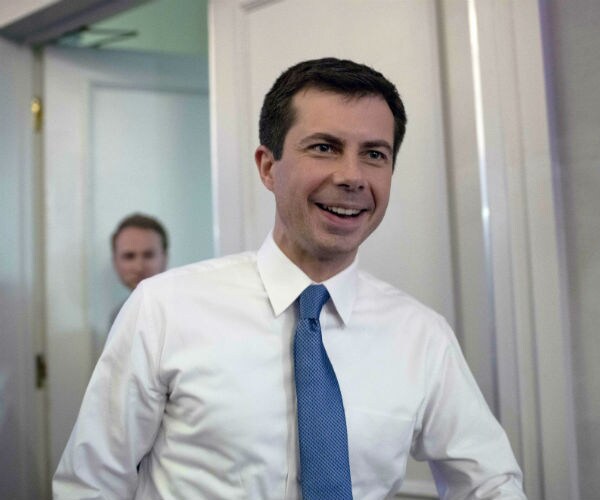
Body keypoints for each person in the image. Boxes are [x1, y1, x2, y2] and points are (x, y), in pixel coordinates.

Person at [53, 58, 526, 499]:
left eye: (375, 154)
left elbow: (489, 483)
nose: (352, 176)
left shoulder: (422, 337)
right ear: (267, 166)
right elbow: (92, 484)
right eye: (324, 147)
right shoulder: (164, 309)